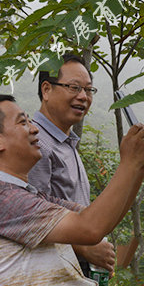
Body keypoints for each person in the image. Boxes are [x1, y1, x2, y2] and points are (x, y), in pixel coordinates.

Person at [0, 95, 144, 286]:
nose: (34, 128)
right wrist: (129, 164)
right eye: (22, 122)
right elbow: (91, 228)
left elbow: (100, 221)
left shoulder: (24, 195)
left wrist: (139, 167)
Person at [28, 54, 115, 274]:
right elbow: (29, 218)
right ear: (46, 90)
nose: (83, 97)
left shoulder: (65, 142)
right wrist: (83, 247)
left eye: (88, 90)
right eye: (74, 87)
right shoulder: (36, 142)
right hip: (49, 274)